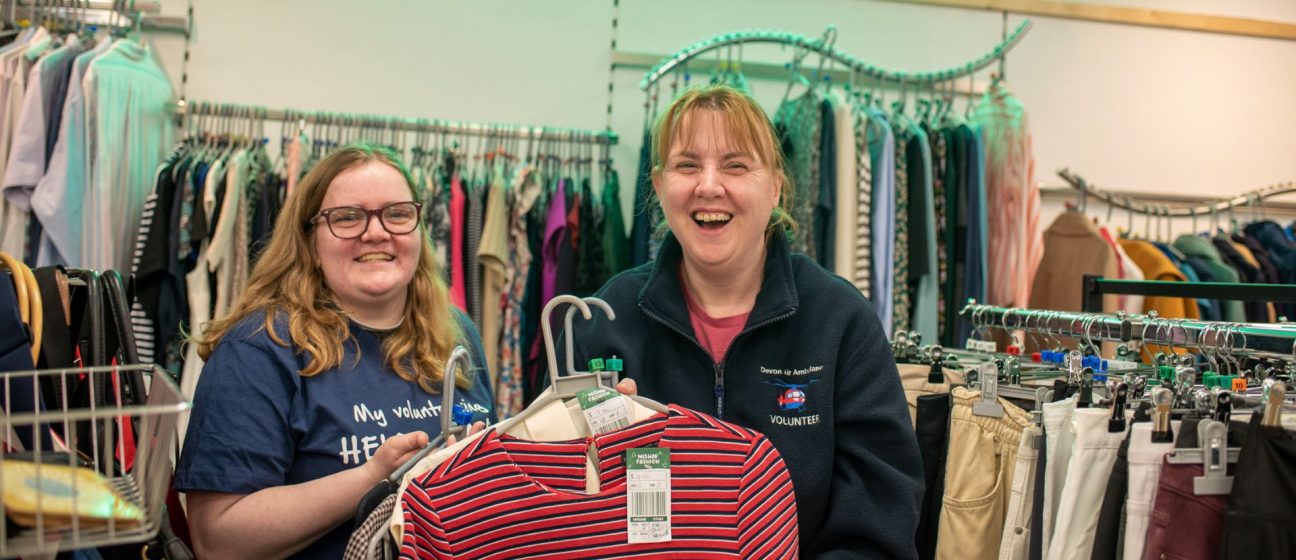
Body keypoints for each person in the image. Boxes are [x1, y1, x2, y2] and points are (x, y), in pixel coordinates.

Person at [561, 84, 923, 558]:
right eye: (687, 165)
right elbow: (559, 508)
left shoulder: (839, 321)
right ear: (658, 186)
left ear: (774, 185)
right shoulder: (606, 319)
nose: (709, 186)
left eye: (735, 165)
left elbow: (881, 518)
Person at [174, 142, 495, 559]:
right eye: (348, 217)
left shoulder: (456, 334)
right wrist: (375, 477)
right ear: (309, 241)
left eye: (397, 213)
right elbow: (219, 541)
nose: (377, 232)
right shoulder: (258, 349)